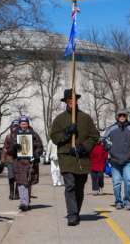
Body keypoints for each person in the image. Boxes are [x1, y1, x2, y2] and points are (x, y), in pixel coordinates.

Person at [50, 89, 99, 226]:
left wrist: (83, 147)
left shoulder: (85, 118)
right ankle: (72, 214)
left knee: (79, 187)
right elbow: (54, 137)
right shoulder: (59, 119)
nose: (72, 102)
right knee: (70, 185)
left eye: (74, 100)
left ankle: (76, 211)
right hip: (66, 157)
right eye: (69, 100)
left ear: (77, 101)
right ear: (66, 102)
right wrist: (67, 133)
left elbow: (94, 136)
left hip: (82, 158)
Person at [103, 109, 130, 210]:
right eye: (120, 115)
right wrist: (108, 147)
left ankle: (127, 200)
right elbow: (104, 139)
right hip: (115, 161)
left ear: (126, 116)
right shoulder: (111, 128)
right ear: (117, 117)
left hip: (128, 160)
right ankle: (118, 201)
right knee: (116, 182)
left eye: (124, 115)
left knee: (128, 180)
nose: (122, 117)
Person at [10, 115, 43, 212]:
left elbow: (40, 147)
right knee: (21, 183)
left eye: (25, 123)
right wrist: (14, 148)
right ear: (19, 124)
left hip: (30, 162)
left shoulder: (34, 134)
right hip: (19, 162)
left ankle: (26, 201)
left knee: (27, 182)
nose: (24, 125)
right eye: (22, 123)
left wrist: (36, 155)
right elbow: (10, 149)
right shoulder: (14, 135)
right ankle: (23, 202)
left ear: (28, 124)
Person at [1, 119, 20, 200]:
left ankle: (17, 193)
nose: (14, 128)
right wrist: (2, 159)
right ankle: (11, 193)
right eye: (13, 126)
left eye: (16, 126)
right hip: (10, 160)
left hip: (18, 160)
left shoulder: (21, 136)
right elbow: (5, 148)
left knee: (18, 177)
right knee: (11, 177)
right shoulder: (8, 137)